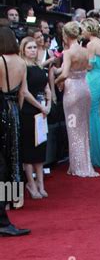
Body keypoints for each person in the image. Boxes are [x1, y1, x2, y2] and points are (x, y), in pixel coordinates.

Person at [55, 22, 99, 178]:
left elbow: (65, 73)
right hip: (84, 88)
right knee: (84, 127)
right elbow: (87, 67)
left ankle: (78, 166)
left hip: (73, 91)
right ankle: (85, 164)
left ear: (65, 35)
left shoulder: (68, 52)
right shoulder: (85, 50)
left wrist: (56, 81)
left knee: (73, 128)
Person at [0, 26, 32, 236]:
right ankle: (7, 207)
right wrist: (15, 114)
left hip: (1, 109)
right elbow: (23, 93)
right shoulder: (22, 63)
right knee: (12, 160)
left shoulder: (0, 61)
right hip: (13, 112)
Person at [19, 37, 51, 198]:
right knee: (29, 149)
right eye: (29, 47)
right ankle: (31, 185)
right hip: (29, 112)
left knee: (40, 149)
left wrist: (49, 103)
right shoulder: (23, 67)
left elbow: (46, 86)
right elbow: (24, 92)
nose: (32, 50)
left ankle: (40, 183)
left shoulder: (38, 66)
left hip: (42, 112)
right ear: (23, 50)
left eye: (34, 47)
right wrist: (41, 107)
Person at [82, 17, 100, 168]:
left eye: (83, 29)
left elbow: (90, 66)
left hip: (93, 79)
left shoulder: (92, 44)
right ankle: (98, 154)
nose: (82, 32)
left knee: (93, 116)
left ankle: (96, 156)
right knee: (95, 116)